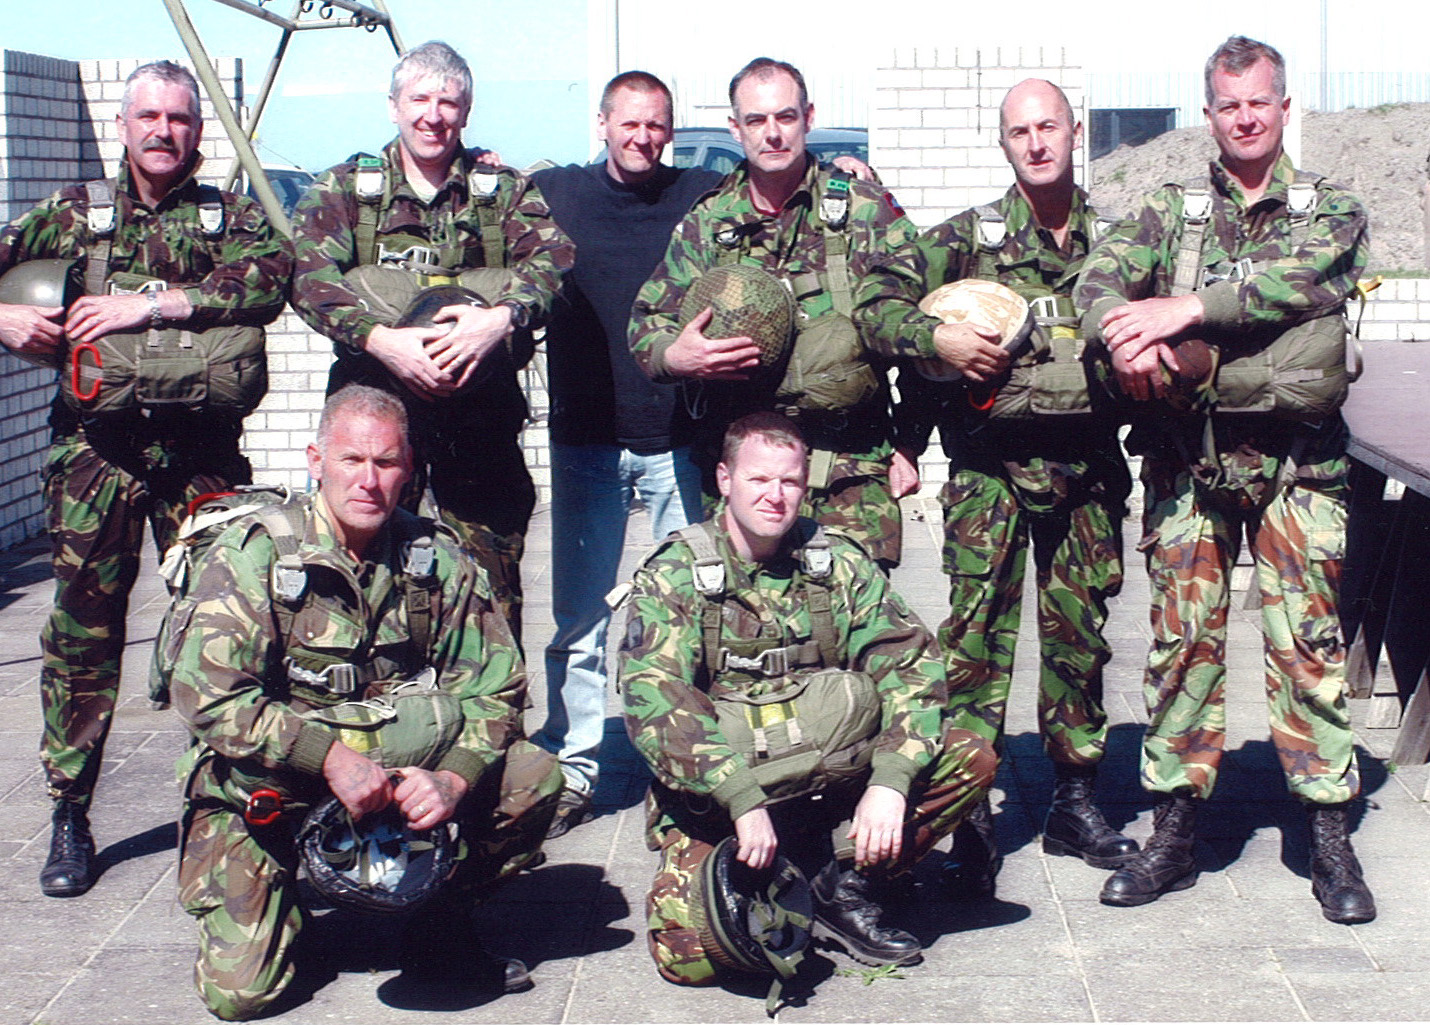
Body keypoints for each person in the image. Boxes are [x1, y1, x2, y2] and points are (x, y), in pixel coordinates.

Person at [1073, 36, 1376, 922]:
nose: (1245, 118)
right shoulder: (1170, 210)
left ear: (1287, 108)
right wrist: (1122, 333)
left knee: (1306, 650)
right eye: (1228, 104)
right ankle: (1174, 827)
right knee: (1180, 649)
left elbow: (1302, 285)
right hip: (1188, 464)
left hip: (1299, 466)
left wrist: (1191, 307)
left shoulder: (1333, 209)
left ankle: (1327, 832)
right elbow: (1099, 275)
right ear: (1209, 114)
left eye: (1260, 102)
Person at [168, 384, 561, 1020]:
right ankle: (288, 906)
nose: (369, 481)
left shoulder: (435, 559)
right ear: (315, 460)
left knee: (533, 775)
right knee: (242, 994)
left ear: (409, 470)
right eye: (352, 461)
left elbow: (497, 688)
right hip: (275, 785)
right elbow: (211, 697)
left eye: (386, 463)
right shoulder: (255, 556)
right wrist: (325, 758)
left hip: (404, 778)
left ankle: (437, 921)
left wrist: (453, 780)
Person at [0, 60, 290, 899]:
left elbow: (274, 278)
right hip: (97, 456)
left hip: (201, 460)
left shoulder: (225, 217)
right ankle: (69, 811)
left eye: (181, 119)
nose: (165, 131)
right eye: (149, 116)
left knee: (227, 630)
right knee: (84, 636)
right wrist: (8, 316)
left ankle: (233, 803)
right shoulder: (73, 214)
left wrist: (152, 304)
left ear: (199, 131)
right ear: (123, 125)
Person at [856, 80, 1135, 897]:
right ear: (1003, 144)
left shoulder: (1119, 245)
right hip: (986, 475)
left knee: (1079, 641)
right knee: (974, 643)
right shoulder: (963, 241)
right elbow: (876, 303)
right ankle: (968, 813)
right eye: (1020, 131)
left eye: (1049, 125)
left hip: (1085, 474)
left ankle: (1075, 801)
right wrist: (934, 335)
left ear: (1075, 130)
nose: (1037, 142)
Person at [619, 411, 998, 982]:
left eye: (789, 482)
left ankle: (845, 886)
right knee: (692, 958)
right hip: (727, 799)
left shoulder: (837, 561)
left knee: (970, 755)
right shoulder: (674, 573)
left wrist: (891, 783)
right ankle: (786, 865)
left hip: (831, 778)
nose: (775, 497)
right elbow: (656, 702)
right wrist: (741, 801)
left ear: (806, 483)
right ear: (725, 479)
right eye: (758, 480)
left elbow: (910, 664)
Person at [289, 40, 574, 650]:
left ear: (466, 112)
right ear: (393, 106)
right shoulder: (346, 189)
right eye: (419, 99)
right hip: (378, 427)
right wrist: (381, 340)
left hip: (479, 422)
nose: (433, 115)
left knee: (491, 590)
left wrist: (501, 319)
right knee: (362, 576)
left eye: (448, 102)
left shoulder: (501, 191)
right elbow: (309, 277)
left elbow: (552, 262)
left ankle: (491, 728)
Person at [628, 58, 921, 572]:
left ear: (808, 117)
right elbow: (646, 322)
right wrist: (675, 355)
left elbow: (923, 326)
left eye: (785, 117)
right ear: (735, 128)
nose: (773, 133)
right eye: (757, 120)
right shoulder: (708, 222)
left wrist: (913, 443)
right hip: (745, 482)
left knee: (859, 636)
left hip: (849, 472)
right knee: (749, 633)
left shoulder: (863, 210)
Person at [526, 72, 718, 836]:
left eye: (657, 126)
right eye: (629, 124)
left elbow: (782, 178)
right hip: (587, 443)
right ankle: (576, 766)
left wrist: (849, 173)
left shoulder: (700, 193)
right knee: (580, 620)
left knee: (693, 615)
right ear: (601, 123)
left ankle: (688, 765)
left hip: (676, 442)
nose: (643, 138)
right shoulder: (554, 193)